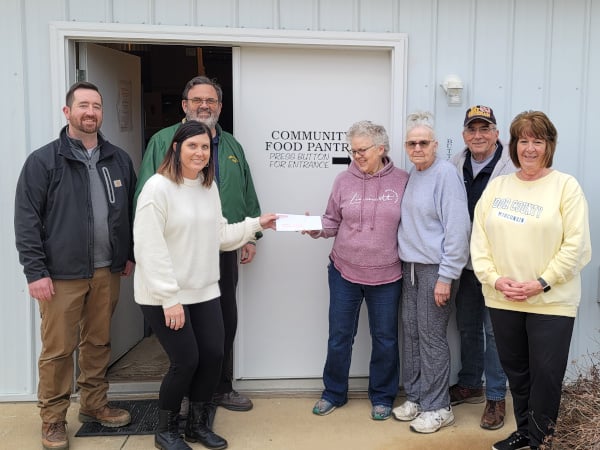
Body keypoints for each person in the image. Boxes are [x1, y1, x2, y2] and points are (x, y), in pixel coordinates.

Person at [133, 121, 277, 450]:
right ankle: (166, 430)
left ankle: (197, 425)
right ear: (176, 149)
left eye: (205, 147)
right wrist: (170, 298)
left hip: (204, 290)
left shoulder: (206, 187)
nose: (200, 152)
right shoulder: (157, 189)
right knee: (186, 361)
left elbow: (220, 237)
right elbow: (149, 248)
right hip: (164, 294)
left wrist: (256, 224)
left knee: (213, 355)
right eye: (192, 146)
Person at [14, 81, 136, 450]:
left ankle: (94, 405)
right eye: (83, 105)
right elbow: (27, 219)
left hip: (106, 270)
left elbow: (127, 212)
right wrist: (35, 272)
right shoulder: (44, 161)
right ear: (67, 112)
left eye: (96, 106)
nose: (90, 112)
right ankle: (52, 418)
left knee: (98, 342)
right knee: (58, 349)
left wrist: (126, 253)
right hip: (60, 275)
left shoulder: (117, 159)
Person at [471, 110, 591, 450]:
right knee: (518, 374)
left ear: (549, 145)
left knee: (546, 377)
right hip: (503, 297)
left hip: (551, 301)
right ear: (514, 145)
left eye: (537, 141)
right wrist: (494, 280)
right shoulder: (498, 187)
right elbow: (479, 242)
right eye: (523, 140)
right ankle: (525, 430)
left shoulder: (565, 187)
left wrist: (542, 282)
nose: (530, 148)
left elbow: (578, 246)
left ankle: (542, 439)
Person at [304, 120, 409, 421]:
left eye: (363, 150)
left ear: (381, 148)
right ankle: (333, 392)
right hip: (344, 272)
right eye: (353, 150)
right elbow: (331, 221)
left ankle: (382, 396)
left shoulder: (402, 180)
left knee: (385, 338)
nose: (357, 156)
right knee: (339, 336)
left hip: (387, 276)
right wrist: (315, 229)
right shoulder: (343, 180)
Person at [392, 111, 471, 434]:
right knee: (411, 334)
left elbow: (458, 229)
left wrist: (446, 276)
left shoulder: (445, 175)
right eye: (412, 143)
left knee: (432, 337)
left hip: (436, 270)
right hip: (410, 266)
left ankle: (439, 406)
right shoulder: (415, 173)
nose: (418, 147)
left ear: (435, 144)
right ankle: (416, 397)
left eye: (424, 142)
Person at [449, 105, 515, 430]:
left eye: (484, 129)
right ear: (464, 135)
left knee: (495, 332)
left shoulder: (511, 169)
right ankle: (470, 383)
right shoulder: (455, 164)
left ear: (496, 133)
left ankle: (495, 397)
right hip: (465, 263)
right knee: (467, 326)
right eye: (472, 129)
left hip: (497, 266)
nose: (478, 135)